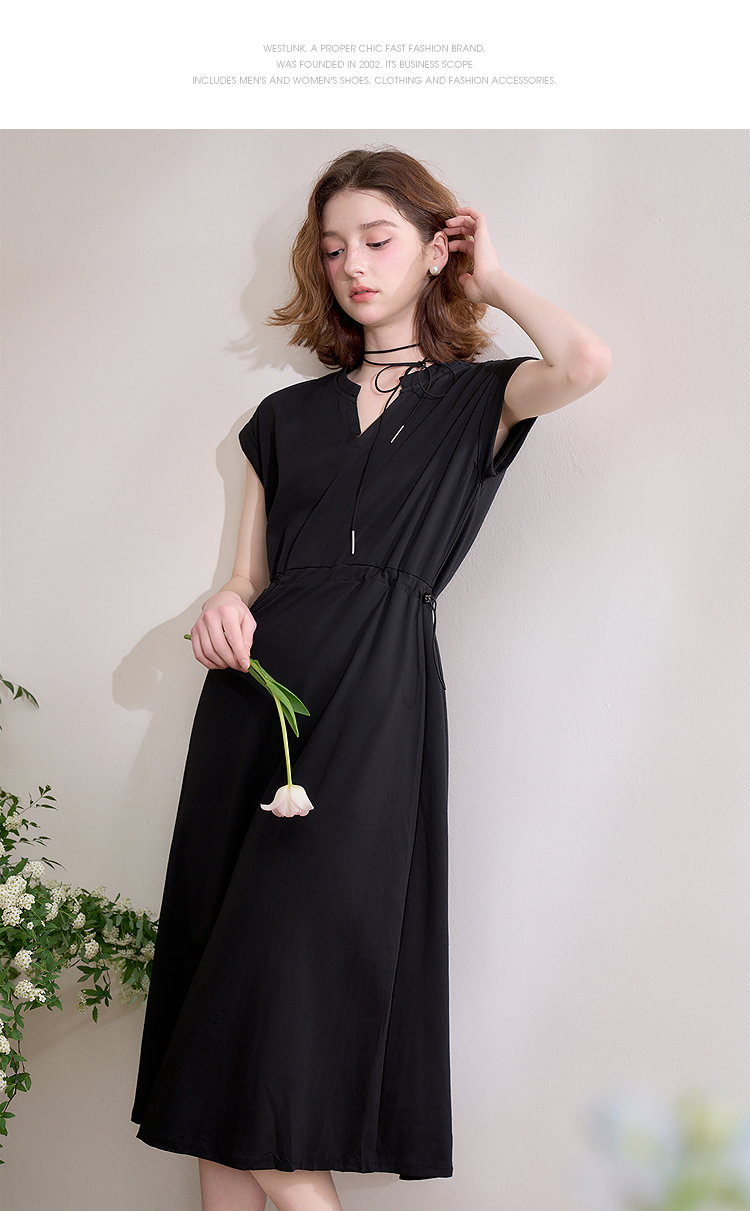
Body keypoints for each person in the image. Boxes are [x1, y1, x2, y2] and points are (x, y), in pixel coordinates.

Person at [130, 147, 611, 1211]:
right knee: (221, 1008)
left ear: (436, 248)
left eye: (379, 240)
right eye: (334, 247)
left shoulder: (480, 398)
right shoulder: (280, 421)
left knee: (272, 994)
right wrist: (223, 607)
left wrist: (492, 281)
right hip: (255, 707)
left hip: (374, 705)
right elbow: (246, 579)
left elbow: (583, 361)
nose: (353, 263)